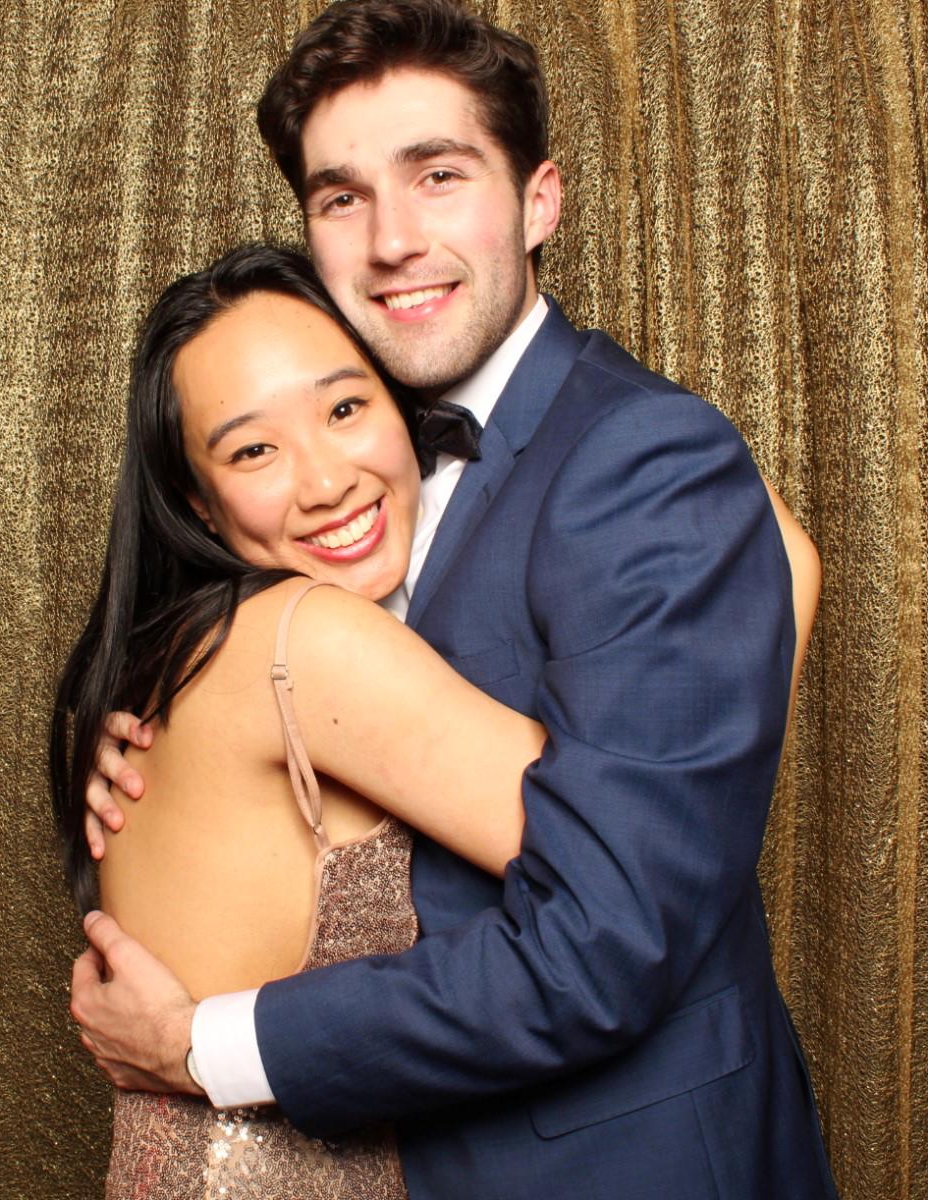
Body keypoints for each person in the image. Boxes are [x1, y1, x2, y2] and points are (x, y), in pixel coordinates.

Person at [69, 3, 839, 1197]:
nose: (392, 240)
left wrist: (202, 1046)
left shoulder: (640, 454)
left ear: (539, 202)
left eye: (438, 175)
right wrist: (171, 754)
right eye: (342, 197)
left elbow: (613, 930)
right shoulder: (352, 459)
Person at [51, 244, 549, 1196]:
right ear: (197, 502)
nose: (323, 482)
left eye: (345, 409)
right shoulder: (308, 644)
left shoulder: (185, 651)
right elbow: (623, 850)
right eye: (254, 450)